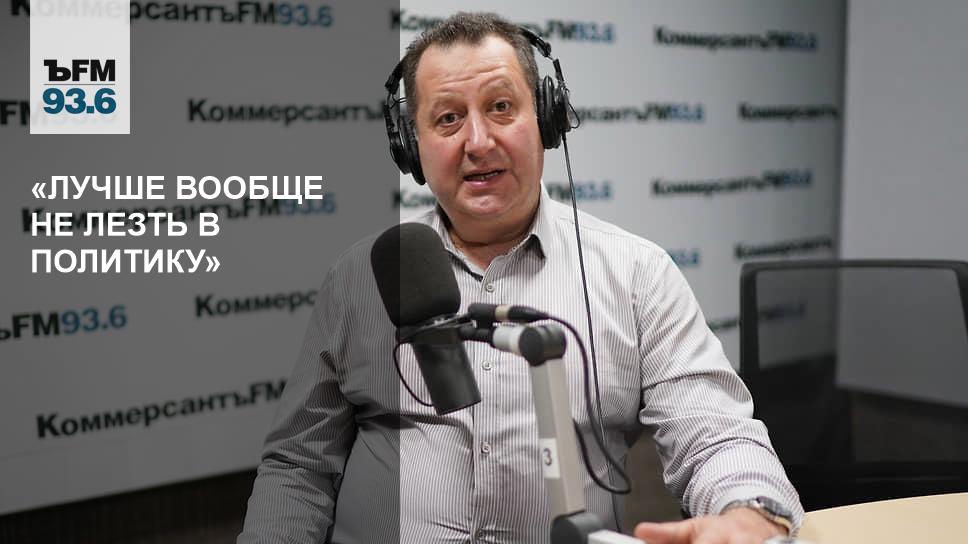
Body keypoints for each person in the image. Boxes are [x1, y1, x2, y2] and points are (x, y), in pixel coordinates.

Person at [239, 12, 803, 544]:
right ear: (411, 146)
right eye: (448, 118)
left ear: (547, 120)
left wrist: (750, 515)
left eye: (502, 107)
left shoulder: (637, 275)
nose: (478, 142)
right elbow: (300, 465)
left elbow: (715, 436)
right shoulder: (360, 276)